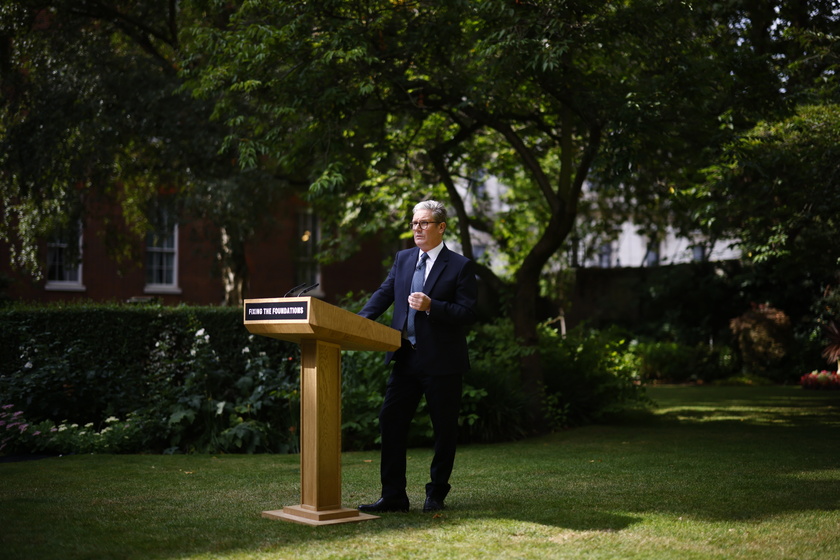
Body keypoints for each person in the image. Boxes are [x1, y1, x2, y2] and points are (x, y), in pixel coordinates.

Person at [357, 200, 478, 514]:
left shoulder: (460, 265)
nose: (417, 229)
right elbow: (386, 291)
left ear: (441, 227)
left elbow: (468, 313)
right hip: (406, 357)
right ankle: (394, 496)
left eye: (424, 223)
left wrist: (432, 306)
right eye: (414, 224)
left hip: (443, 362)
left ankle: (436, 493)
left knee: (443, 429)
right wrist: (359, 321)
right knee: (391, 421)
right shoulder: (404, 258)